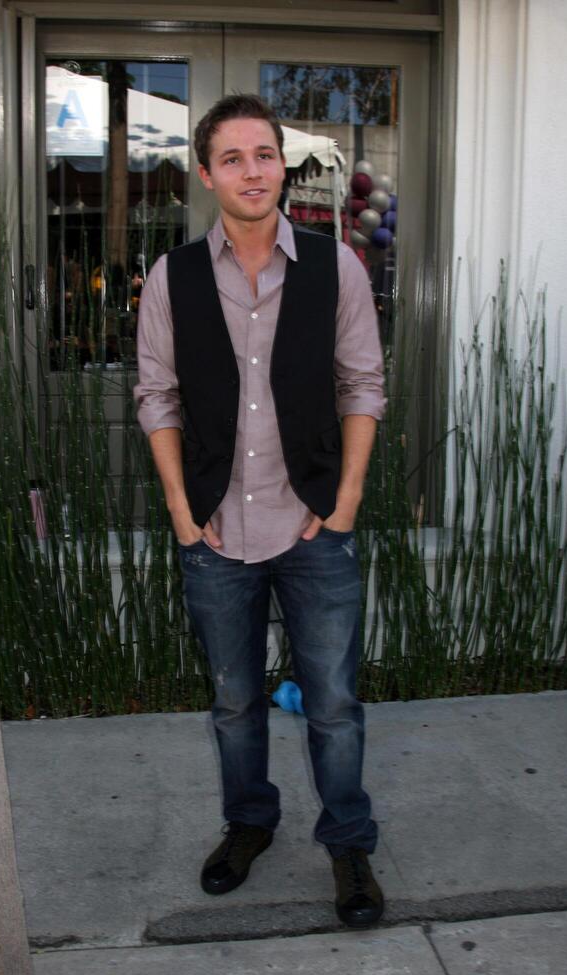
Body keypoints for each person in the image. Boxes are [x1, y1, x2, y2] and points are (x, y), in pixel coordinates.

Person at [133, 94, 386, 928]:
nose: (252, 171)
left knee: (335, 704)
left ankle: (348, 843)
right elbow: (158, 398)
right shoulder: (171, 278)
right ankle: (249, 825)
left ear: (285, 166)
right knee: (235, 702)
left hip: (313, 525)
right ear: (205, 174)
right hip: (213, 530)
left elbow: (362, 387)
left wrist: (345, 503)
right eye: (233, 158)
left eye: (265, 155)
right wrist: (178, 509)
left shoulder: (336, 265)